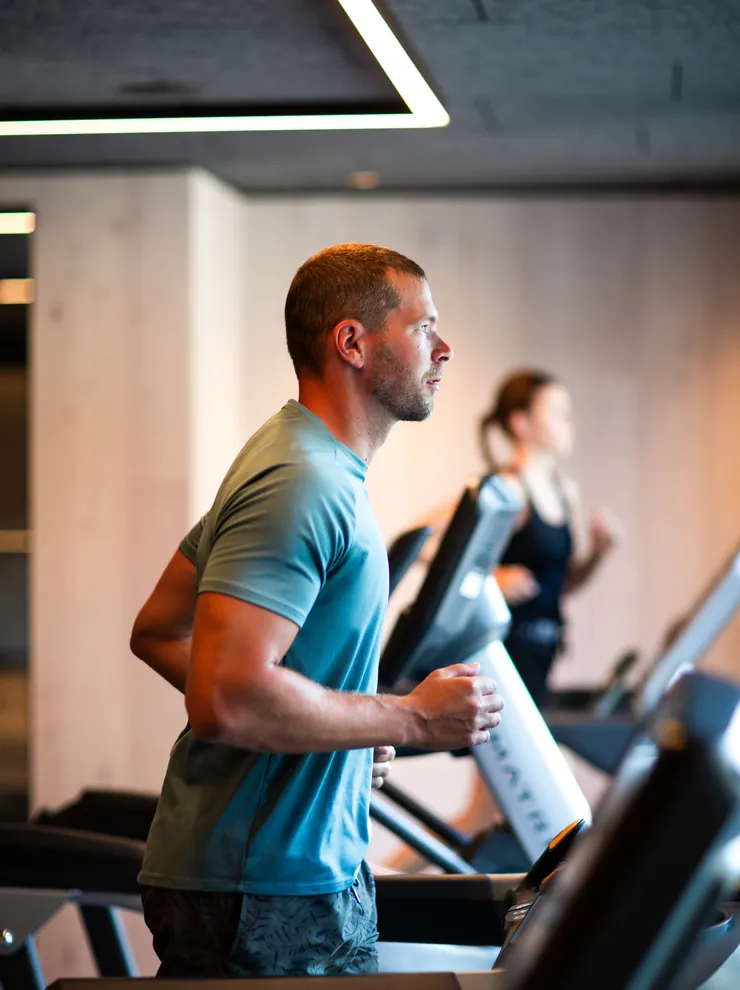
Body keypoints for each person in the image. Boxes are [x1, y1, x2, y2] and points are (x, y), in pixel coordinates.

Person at [129, 243, 505, 978]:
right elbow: (226, 698)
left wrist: (331, 732)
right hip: (263, 886)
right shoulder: (301, 482)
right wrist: (411, 717)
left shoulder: (305, 463)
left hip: (281, 874)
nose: (446, 347)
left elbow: (162, 631)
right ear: (352, 342)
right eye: (423, 326)